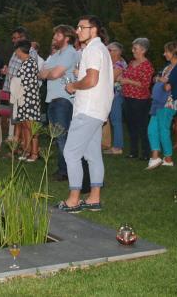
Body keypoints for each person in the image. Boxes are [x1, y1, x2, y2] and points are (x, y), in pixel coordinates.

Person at [58, 15, 113, 212]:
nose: (78, 31)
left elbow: (91, 81)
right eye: (77, 27)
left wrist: (73, 85)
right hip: (98, 110)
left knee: (71, 153)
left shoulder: (92, 50)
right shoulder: (101, 50)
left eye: (82, 27)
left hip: (88, 109)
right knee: (93, 155)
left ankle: (73, 200)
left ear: (94, 30)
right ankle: (94, 198)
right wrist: (78, 76)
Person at [39, 25, 79, 179]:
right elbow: (41, 73)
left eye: (58, 35)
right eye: (55, 35)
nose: (54, 37)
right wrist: (50, 73)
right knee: (58, 136)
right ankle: (64, 169)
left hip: (63, 99)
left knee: (62, 136)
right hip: (53, 99)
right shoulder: (56, 55)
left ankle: (66, 171)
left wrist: (50, 72)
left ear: (67, 38)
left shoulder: (69, 52)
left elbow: (53, 73)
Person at [146, 42, 177, 170]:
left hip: (168, 102)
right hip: (159, 101)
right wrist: (160, 80)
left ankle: (167, 157)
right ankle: (157, 156)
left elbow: (168, 86)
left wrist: (162, 82)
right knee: (152, 128)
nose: (164, 54)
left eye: (166, 51)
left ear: (174, 52)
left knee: (163, 129)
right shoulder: (168, 66)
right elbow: (156, 78)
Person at [118, 38, 154, 160]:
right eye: (133, 48)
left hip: (140, 100)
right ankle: (133, 152)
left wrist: (127, 81)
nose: (132, 50)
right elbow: (125, 75)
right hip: (127, 98)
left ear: (143, 50)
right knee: (131, 126)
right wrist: (121, 78)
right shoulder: (132, 62)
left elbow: (145, 84)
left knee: (142, 127)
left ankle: (145, 153)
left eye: (135, 48)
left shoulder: (147, 65)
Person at [11, 40, 41, 161]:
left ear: (19, 50)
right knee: (24, 125)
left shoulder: (29, 63)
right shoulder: (25, 63)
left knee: (31, 126)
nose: (15, 53)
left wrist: (14, 80)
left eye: (16, 51)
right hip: (23, 98)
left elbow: (25, 82)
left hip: (30, 98)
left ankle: (34, 153)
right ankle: (27, 151)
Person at [104, 42, 127, 155]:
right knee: (111, 120)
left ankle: (118, 147)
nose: (108, 52)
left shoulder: (120, 64)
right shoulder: (109, 63)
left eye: (110, 50)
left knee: (116, 120)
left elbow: (110, 78)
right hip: (108, 94)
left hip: (116, 95)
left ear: (118, 52)